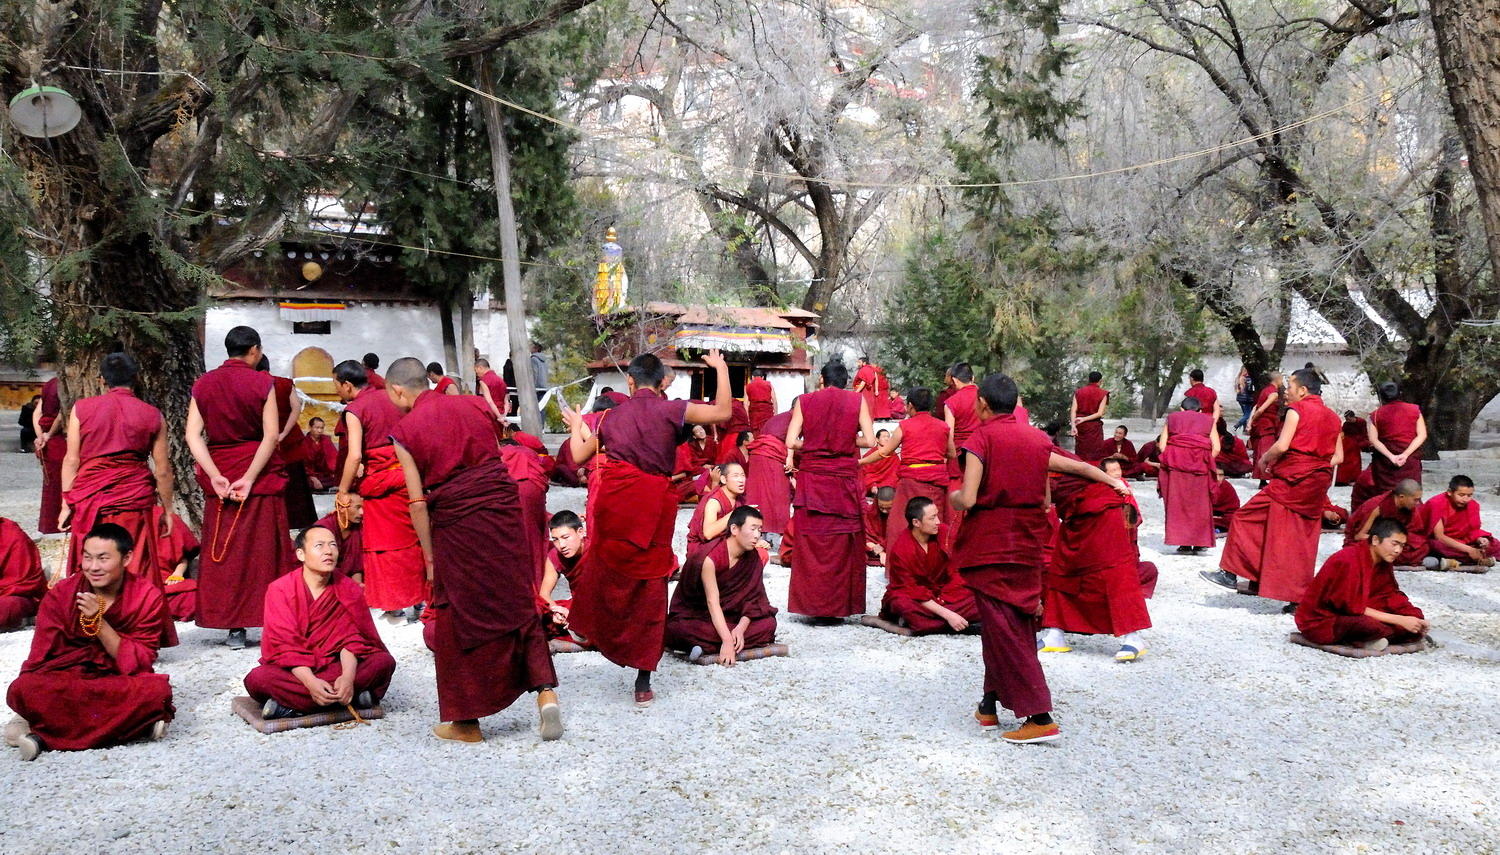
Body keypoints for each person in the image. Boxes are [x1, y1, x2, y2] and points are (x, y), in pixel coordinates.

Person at [386, 357, 561, 743]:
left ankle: (466, 721)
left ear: (398, 390)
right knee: (517, 600)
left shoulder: (404, 430)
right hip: (502, 509)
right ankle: (546, 693)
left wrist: (430, 557)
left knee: (456, 617)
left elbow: (416, 502)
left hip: (458, 521)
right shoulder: (474, 404)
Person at [950, 373, 1129, 744]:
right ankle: (988, 704)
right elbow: (1054, 491)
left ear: (981, 403)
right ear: (1015, 404)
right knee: (1009, 626)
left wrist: (953, 498)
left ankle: (1040, 715)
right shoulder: (1037, 439)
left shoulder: (980, 438)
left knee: (1005, 630)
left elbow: (967, 499)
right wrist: (1110, 480)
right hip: (1028, 543)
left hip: (991, 544)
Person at [563, 350, 731, 707]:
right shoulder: (672, 410)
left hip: (616, 503)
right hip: (653, 505)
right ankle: (643, 680)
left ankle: (588, 628)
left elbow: (578, 456)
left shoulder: (610, 416)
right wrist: (721, 369)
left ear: (630, 381)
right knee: (650, 586)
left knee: (606, 568)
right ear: (661, 383)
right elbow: (723, 412)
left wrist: (578, 426)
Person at [7, 524, 173, 760]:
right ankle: (134, 728)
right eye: (87, 558)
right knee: (24, 689)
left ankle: (43, 737)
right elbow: (41, 658)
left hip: (114, 677)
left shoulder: (146, 595)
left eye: (103, 558)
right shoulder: (62, 593)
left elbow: (140, 662)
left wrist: (99, 623)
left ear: (126, 558)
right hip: (65, 676)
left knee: (157, 691)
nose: (93, 567)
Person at [186, 326, 293, 648]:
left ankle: (233, 628)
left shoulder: (203, 384)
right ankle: (276, 623)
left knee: (225, 552)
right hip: (256, 474)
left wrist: (215, 474)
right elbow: (270, 435)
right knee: (262, 551)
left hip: (221, 471)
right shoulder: (263, 382)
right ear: (255, 351)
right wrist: (249, 476)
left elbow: (192, 436)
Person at [1205, 369, 1342, 607]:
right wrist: (1313, 464)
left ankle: (1230, 573)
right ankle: (1295, 597)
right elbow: (1337, 456)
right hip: (1316, 483)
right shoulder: (1333, 417)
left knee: (1246, 517)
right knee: (1301, 538)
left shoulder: (1297, 410)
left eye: (1290, 386)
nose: (1286, 391)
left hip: (1292, 482)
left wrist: (1264, 459)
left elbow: (1282, 445)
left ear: (1303, 390)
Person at [59, 353, 175, 618]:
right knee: (134, 561)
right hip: (132, 498)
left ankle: (89, 627)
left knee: (93, 561)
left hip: (90, 497)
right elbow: (163, 470)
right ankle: (136, 624)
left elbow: (72, 459)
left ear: (102, 380)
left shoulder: (82, 409)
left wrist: (67, 501)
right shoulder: (152, 415)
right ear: (135, 378)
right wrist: (167, 510)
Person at [244, 525, 397, 719]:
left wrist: (348, 678)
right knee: (258, 679)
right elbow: (285, 646)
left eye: (333, 545)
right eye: (319, 545)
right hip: (298, 671)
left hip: (337, 666)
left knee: (383, 662)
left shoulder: (348, 588)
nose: (328, 551)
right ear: (301, 554)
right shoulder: (280, 590)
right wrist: (310, 682)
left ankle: (291, 707)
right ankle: (354, 698)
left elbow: (352, 640)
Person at [333, 359, 426, 622]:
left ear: (347, 385)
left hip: (380, 483)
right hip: (407, 475)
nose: (337, 391)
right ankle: (419, 600)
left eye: (336, 385)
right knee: (413, 540)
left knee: (385, 545)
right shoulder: (393, 396)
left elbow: (353, 457)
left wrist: (342, 489)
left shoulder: (355, 409)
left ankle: (395, 604)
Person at [1038, 447, 1152, 661]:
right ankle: (1055, 633)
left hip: (1098, 505)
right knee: (1062, 567)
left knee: (1113, 568)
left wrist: (1115, 483)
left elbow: (1081, 468)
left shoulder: (1037, 448)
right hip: (1073, 512)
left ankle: (1133, 636)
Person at [785, 359, 877, 620]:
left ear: (822, 380)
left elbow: (791, 440)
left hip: (813, 480)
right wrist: (847, 439)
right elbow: (870, 440)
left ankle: (811, 605)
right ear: (847, 382)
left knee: (812, 541)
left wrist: (814, 443)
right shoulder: (856, 401)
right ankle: (838, 607)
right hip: (842, 482)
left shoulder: (805, 400)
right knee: (841, 543)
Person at [665, 506, 778, 665]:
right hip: (700, 616)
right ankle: (717, 641)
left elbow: (755, 599)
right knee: (679, 628)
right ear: (734, 529)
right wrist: (726, 640)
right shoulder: (709, 558)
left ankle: (701, 646)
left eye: (759, 530)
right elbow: (712, 602)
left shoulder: (752, 557)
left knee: (768, 625)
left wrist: (740, 628)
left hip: (732, 616)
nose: (757, 536)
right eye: (752, 529)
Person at [1295, 518, 1428, 649]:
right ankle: (1366, 639)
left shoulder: (1383, 560)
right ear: (1375, 540)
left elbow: (1389, 594)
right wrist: (1399, 620)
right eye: (1394, 544)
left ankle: (1372, 639)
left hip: (1363, 608)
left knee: (1414, 617)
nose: (1398, 550)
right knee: (1367, 625)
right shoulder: (1348, 560)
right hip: (1326, 619)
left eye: (1402, 546)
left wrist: (1411, 617)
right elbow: (1350, 607)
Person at [862, 388, 954, 547]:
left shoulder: (905, 426)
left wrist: (861, 462)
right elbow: (951, 453)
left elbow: (884, 452)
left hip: (911, 483)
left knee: (899, 525)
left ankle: (899, 567)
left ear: (911, 406)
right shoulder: (943, 427)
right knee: (933, 523)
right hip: (935, 483)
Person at [879, 497, 977, 634]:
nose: (938, 522)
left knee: (978, 597)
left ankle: (923, 626)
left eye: (937, 516)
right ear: (916, 522)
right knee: (902, 603)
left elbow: (957, 568)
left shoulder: (943, 532)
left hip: (943, 593)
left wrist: (944, 598)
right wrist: (948, 614)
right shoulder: (902, 549)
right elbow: (909, 588)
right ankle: (959, 624)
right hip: (916, 598)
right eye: (932, 518)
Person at [258, 356, 317, 530]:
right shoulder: (284, 383)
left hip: (263, 441)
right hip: (289, 440)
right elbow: (296, 408)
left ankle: (271, 521)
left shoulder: (252, 384)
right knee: (296, 483)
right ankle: (299, 522)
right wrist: (284, 433)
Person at [1157, 397, 1219, 554]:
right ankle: (1199, 543)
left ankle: (1183, 543)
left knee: (1178, 504)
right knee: (1201, 505)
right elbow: (1216, 447)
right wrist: (1203, 459)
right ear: (1199, 410)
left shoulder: (1172, 418)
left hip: (1176, 467)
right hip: (1200, 467)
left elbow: (1163, 446)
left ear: (1182, 409)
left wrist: (1176, 458)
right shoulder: (1208, 420)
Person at [1359, 382, 1427, 512]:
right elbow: (1422, 435)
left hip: (1386, 463)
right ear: (1400, 394)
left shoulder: (1376, 415)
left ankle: (1387, 524)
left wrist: (1392, 457)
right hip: (1409, 461)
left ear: (1382, 397)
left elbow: (1373, 440)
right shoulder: (1414, 410)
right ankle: (1413, 524)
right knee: (1411, 492)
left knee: (1386, 495)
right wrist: (1405, 455)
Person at [500, 425, 551, 586]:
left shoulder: (500, 452)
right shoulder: (528, 450)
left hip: (510, 490)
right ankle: (536, 583)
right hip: (534, 489)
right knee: (534, 536)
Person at [1423, 475, 1499, 568]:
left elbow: (1473, 530)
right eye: (1461, 495)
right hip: (1445, 542)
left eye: (1469, 495)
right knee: (1435, 545)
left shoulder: (1473, 505)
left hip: (1463, 541)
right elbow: (1439, 537)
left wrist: (1481, 539)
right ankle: (1475, 558)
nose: (1466, 499)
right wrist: (1469, 550)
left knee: (1494, 544)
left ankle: (1455, 561)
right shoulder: (1436, 504)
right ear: (1450, 492)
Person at [1346, 479, 1427, 565]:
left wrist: (1399, 541)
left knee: (1423, 547)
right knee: (1370, 550)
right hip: (1376, 541)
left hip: (1395, 542)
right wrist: (1387, 540)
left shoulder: (1409, 509)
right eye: (1415, 500)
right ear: (1402, 497)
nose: (1418, 503)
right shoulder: (1377, 507)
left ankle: (1385, 557)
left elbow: (1414, 531)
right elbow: (1359, 536)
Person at [686, 462, 748, 567]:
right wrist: (734, 514)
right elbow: (708, 534)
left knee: (760, 553)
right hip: (705, 548)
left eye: (743, 475)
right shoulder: (714, 501)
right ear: (723, 479)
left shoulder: (739, 499)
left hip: (725, 543)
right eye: (736, 476)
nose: (741, 480)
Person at [744, 410, 794, 538]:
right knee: (779, 494)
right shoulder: (794, 417)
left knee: (760, 495)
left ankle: (759, 532)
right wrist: (790, 457)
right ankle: (777, 533)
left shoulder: (778, 418)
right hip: (772, 453)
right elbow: (791, 440)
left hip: (760, 452)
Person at [539, 511, 587, 639]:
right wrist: (557, 612)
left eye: (566, 537)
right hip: (578, 604)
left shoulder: (595, 548)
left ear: (581, 532)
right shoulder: (555, 556)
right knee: (537, 613)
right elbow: (544, 594)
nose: (562, 545)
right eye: (555, 540)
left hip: (602, 604)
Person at [34, 375, 67, 534]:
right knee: (63, 483)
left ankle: (49, 526)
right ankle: (63, 524)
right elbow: (62, 414)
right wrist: (49, 434)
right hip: (61, 439)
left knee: (51, 483)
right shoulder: (66, 383)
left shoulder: (50, 384)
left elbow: (37, 414)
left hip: (48, 443)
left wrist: (41, 436)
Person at [0, 516, 45, 630]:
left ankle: (24, 618)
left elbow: (27, 582)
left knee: (8, 607)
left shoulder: (10, 532)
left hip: (9, 594)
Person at [1248, 371, 1284, 481]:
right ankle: (1264, 477)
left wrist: (1250, 422)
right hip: (1267, 424)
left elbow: (1255, 407)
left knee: (1260, 449)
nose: (1282, 382)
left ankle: (1262, 478)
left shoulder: (1264, 390)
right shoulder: (1274, 393)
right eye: (1282, 380)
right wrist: (1253, 419)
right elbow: (1261, 409)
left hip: (1261, 424)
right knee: (1265, 450)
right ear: (1277, 380)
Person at [1069, 371, 1110, 462]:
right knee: (1094, 453)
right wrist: (1084, 419)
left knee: (1081, 452)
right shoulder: (1103, 393)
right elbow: (1099, 413)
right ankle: (1093, 473)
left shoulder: (1079, 392)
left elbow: (1073, 410)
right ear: (1100, 381)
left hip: (1081, 426)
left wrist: (1073, 426)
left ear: (1089, 380)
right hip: (1093, 427)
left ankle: (1080, 472)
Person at [858, 429, 900, 497]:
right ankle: (874, 490)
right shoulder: (870, 454)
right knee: (865, 480)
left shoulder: (893, 454)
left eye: (888, 437)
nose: (887, 439)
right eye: (884, 437)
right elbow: (865, 472)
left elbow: (897, 470)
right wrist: (872, 484)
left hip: (888, 480)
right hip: (874, 480)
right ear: (877, 439)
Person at [301, 417, 339, 490]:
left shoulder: (326, 440)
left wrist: (335, 472)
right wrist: (313, 478)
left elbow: (333, 457)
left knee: (342, 480)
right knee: (304, 482)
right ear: (310, 427)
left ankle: (322, 485)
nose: (319, 431)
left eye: (322, 428)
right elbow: (304, 464)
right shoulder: (304, 442)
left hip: (325, 475)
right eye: (317, 428)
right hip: (310, 475)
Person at [863, 486, 895, 564]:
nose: (884, 511)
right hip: (874, 547)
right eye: (881, 507)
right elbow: (866, 537)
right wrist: (881, 553)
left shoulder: (901, 515)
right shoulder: (870, 513)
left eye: (889, 508)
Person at [853, 355, 891, 420]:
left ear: (864, 363)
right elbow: (876, 378)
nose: (858, 364)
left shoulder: (866, 369)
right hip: (874, 390)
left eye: (859, 362)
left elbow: (864, 381)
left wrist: (856, 392)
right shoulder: (871, 369)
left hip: (865, 390)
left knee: (866, 405)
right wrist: (876, 389)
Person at [1336, 410, 1368, 486]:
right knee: (1345, 460)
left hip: (1356, 443)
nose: (1348, 421)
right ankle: (1341, 479)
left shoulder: (1361, 422)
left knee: (1355, 461)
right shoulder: (1346, 424)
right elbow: (1343, 433)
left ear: (1353, 417)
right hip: (1347, 443)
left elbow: (1364, 433)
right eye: (1347, 419)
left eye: (1349, 419)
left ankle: (1353, 478)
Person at [745, 368, 777, 433]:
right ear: (762, 377)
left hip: (754, 414)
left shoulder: (748, 386)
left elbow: (746, 403)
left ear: (752, 377)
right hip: (767, 413)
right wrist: (775, 414)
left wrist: (747, 418)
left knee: (755, 433)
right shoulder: (769, 384)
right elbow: (774, 399)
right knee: (767, 431)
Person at [1233, 366, 1255, 431]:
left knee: (1245, 414)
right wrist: (1254, 392)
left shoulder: (1238, 378)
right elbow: (1249, 389)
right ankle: (1236, 425)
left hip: (1240, 399)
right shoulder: (1248, 379)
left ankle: (1244, 429)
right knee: (1248, 414)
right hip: (1247, 399)